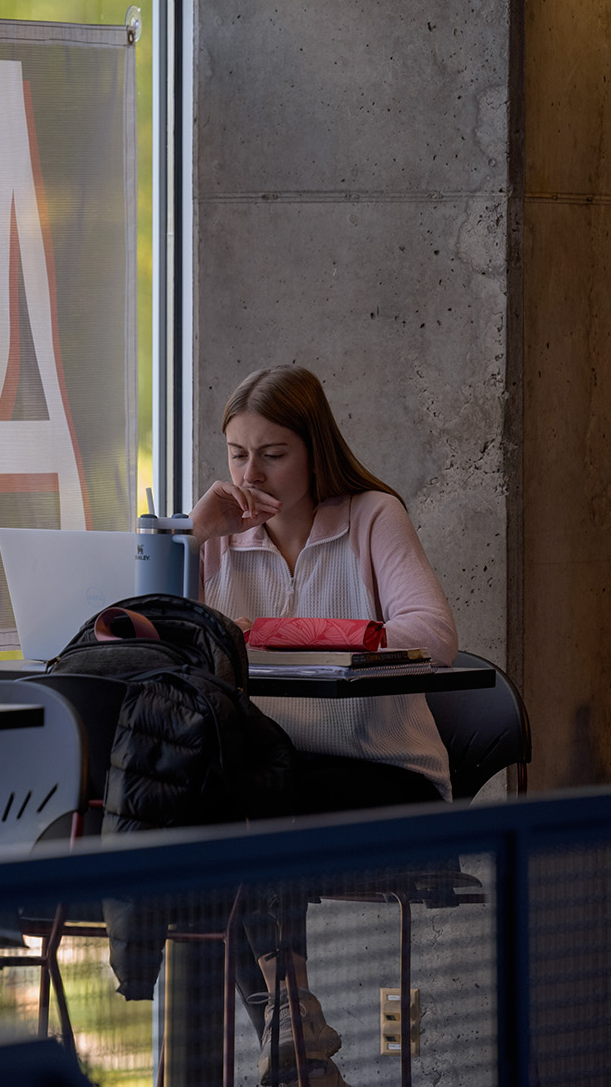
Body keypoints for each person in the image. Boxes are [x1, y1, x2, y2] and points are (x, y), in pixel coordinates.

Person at [188, 364, 459, 1086]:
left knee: (253, 797)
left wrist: (284, 634)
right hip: (278, 776)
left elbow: (433, 635)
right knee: (219, 798)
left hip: (386, 773)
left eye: (273, 454)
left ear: (315, 449)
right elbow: (170, 648)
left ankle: (292, 1036)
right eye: (238, 455)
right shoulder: (221, 535)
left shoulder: (372, 516)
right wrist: (191, 542)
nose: (253, 473)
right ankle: (295, 1028)